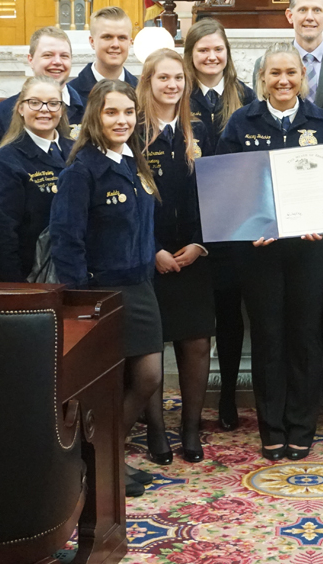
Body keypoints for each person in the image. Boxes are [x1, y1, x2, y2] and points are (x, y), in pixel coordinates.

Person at [217, 42, 323, 461]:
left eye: (291, 72)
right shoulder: (241, 122)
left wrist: (320, 220)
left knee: (305, 336)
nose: (283, 80)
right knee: (268, 336)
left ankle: (302, 425)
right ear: (262, 79)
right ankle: (271, 426)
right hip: (259, 251)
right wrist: (251, 223)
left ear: (302, 78)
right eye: (275, 73)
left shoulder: (322, 123)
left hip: (310, 248)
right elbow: (228, 187)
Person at [48, 78, 162, 498]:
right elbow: (66, 239)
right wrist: (82, 298)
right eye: (112, 112)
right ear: (95, 115)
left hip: (140, 286)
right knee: (110, 385)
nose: (121, 120)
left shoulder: (135, 161)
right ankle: (98, 462)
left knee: (148, 377)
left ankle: (108, 453)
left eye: (128, 112)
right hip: (103, 293)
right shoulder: (82, 170)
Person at [136, 49, 212, 465]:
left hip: (194, 254)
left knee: (196, 341)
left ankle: (190, 429)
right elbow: (126, 205)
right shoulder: (133, 131)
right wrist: (152, 251)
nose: (172, 85)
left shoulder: (198, 129)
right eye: (163, 78)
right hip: (149, 256)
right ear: (148, 82)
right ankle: (157, 431)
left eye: (178, 78)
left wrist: (201, 244)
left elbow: (218, 191)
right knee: (152, 347)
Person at [183, 18, 255, 431]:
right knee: (197, 317)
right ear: (191, 57)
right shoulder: (179, 95)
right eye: (203, 51)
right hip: (191, 219)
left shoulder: (244, 96)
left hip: (233, 222)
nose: (211, 57)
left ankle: (228, 393)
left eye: (218, 50)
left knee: (231, 314)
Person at [0, 76, 73, 282]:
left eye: (53, 103)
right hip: (31, 278)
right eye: (34, 102)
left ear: (62, 109)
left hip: (75, 272)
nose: (44, 109)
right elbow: (0, 234)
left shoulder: (75, 152)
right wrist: (17, 286)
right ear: (20, 108)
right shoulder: (5, 162)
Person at [253, 0, 323, 113]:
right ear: (290, 16)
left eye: (317, 10)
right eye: (302, 10)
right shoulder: (264, 64)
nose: (310, 17)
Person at [0, 27, 83, 142]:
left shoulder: (89, 108)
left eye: (64, 56)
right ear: (30, 60)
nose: (57, 62)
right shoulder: (3, 113)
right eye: (48, 55)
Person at [69, 6, 138, 101]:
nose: (115, 44)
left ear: (130, 42)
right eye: (107, 37)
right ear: (92, 41)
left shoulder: (141, 92)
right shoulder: (71, 94)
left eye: (122, 38)